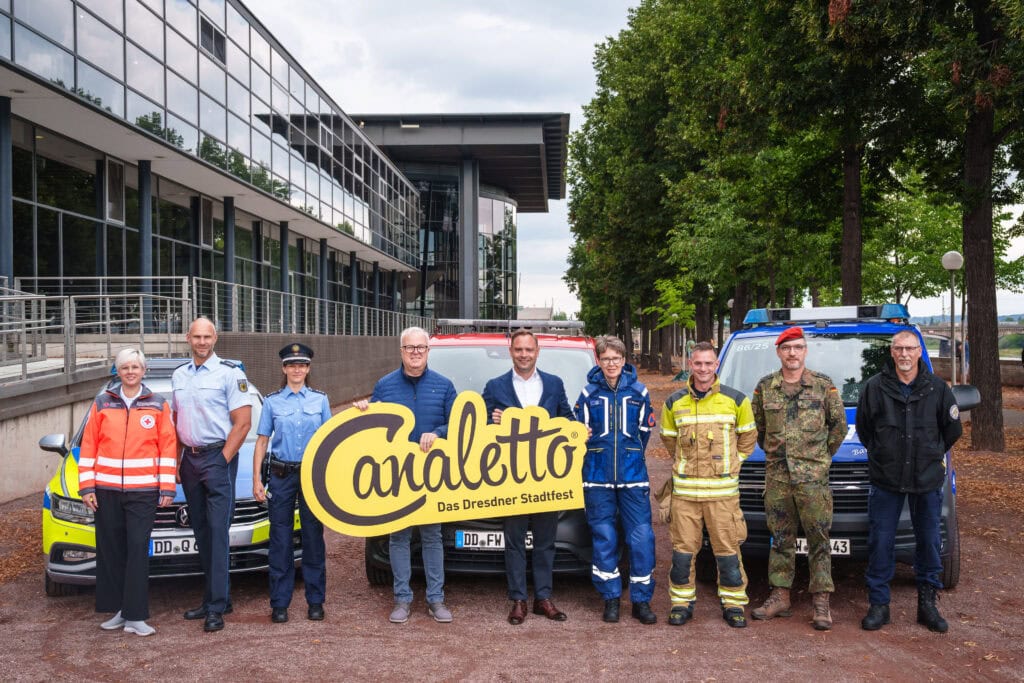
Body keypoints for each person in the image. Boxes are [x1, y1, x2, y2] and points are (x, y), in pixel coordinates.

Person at [856, 330, 963, 633]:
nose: (904, 354)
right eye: (899, 348)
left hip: (926, 480)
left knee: (929, 542)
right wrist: (883, 454)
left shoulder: (938, 389)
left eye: (910, 348)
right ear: (892, 352)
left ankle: (927, 605)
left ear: (919, 351)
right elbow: (865, 430)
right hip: (886, 480)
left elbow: (952, 431)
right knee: (881, 542)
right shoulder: (875, 388)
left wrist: (931, 455)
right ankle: (879, 605)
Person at [354, 326, 457, 624]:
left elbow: (457, 424)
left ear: (428, 351)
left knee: (432, 537)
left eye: (420, 347)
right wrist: (364, 410)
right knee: (398, 537)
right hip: (396, 476)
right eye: (410, 347)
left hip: (433, 475)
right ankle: (402, 599)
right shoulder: (385, 386)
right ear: (401, 351)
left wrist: (438, 433)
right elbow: (374, 425)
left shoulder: (444, 386)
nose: (415, 353)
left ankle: (436, 599)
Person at [750, 326, 846, 631]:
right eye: (787, 348)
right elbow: (759, 429)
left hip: (813, 480)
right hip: (778, 479)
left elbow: (838, 428)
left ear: (805, 351)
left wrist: (819, 459)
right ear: (779, 352)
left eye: (798, 347)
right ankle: (780, 596)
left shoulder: (823, 386)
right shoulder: (765, 387)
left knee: (819, 540)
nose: (792, 353)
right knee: (780, 539)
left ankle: (821, 602)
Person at [659, 341, 757, 628]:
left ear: (716, 365)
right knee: (682, 553)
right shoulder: (674, 402)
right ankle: (681, 603)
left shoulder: (736, 400)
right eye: (698, 363)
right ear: (691, 365)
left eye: (708, 363)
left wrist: (733, 463)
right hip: (685, 496)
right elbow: (669, 440)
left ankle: (733, 604)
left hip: (722, 497)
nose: (703, 369)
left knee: (727, 552)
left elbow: (748, 438)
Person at [79, 348, 177, 636]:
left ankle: (136, 616)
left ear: (144, 371)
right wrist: (87, 486)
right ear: (118, 371)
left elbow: (167, 446)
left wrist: (167, 486)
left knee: (136, 549)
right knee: (111, 551)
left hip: (143, 491)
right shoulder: (102, 403)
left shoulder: (158, 404)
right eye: (125, 367)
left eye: (135, 367)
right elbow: (89, 445)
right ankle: (119, 611)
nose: (131, 372)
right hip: (105, 490)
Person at [482, 328, 574, 625]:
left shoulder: (554, 384)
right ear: (511, 351)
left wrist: (578, 430)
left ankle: (543, 599)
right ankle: (519, 600)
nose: (524, 354)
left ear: (537, 352)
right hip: (511, 478)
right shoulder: (494, 386)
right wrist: (492, 422)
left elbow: (567, 419)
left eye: (529, 350)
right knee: (515, 541)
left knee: (546, 541)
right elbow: (479, 428)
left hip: (547, 477)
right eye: (519, 349)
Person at [172, 317, 252, 633]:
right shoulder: (179, 375)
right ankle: (216, 599)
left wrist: (222, 460)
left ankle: (216, 608)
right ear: (188, 338)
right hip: (190, 461)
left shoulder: (230, 374)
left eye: (207, 337)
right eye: (197, 337)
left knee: (218, 533)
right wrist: (176, 461)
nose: (202, 342)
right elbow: (177, 421)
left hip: (217, 457)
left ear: (215, 338)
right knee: (202, 533)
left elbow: (243, 423)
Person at [573, 335, 657, 625]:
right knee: (604, 538)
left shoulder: (639, 392)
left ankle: (641, 600)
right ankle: (610, 598)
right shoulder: (587, 394)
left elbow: (644, 433)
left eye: (616, 359)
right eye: (606, 359)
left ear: (624, 360)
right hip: (597, 479)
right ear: (599, 360)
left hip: (633, 478)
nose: (611, 364)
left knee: (641, 537)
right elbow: (578, 434)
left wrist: (630, 459)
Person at [253, 343, 332, 624]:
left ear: (308, 369)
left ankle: (315, 601)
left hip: (311, 476)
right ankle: (279, 603)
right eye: (291, 365)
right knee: (280, 539)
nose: (297, 370)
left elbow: (330, 440)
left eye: (302, 365)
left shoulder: (320, 400)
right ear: (284, 368)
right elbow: (262, 441)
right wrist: (256, 479)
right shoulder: (272, 401)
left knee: (313, 537)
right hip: (281, 475)